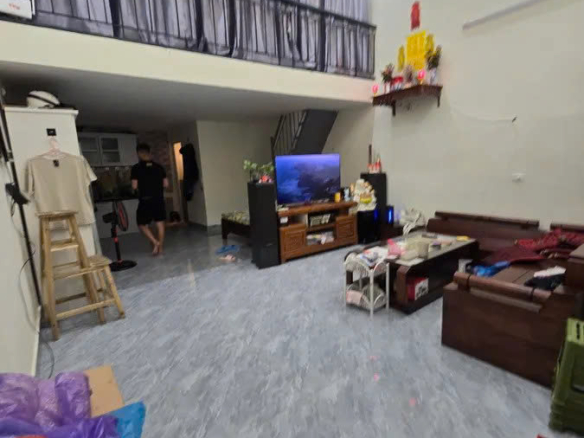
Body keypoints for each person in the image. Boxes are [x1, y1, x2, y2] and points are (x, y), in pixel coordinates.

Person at [131, 143, 168, 255]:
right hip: (159, 199)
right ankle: (160, 248)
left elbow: (134, 186)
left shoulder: (136, 168)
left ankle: (155, 242)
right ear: (149, 152)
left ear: (139, 153)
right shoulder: (159, 167)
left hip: (145, 200)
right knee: (160, 223)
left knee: (141, 223)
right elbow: (166, 184)